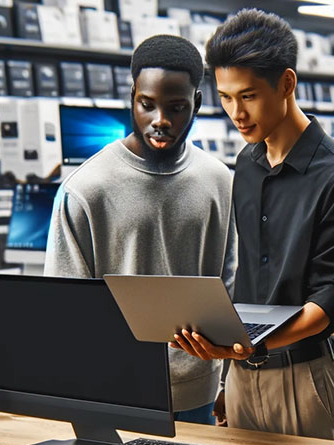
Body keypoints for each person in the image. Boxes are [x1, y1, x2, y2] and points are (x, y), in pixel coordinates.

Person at [171, 8, 334, 442]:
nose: (236, 112)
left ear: (287, 84)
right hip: (241, 376)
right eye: (225, 96)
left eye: (249, 95)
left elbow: (331, 300)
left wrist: (253, 347)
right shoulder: (245, 164)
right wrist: (228, 371)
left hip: (305, 378)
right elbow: (249, 280)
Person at [45, 35, 237, 425]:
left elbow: (232, 286)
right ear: (132, 95)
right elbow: (64, 310)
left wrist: (228, 384)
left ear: (197, 104)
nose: (160, 120)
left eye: (177, 107)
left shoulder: (220, 180)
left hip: (198, 390)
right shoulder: (85, 189)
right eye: (147, 105)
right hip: (112, 392)